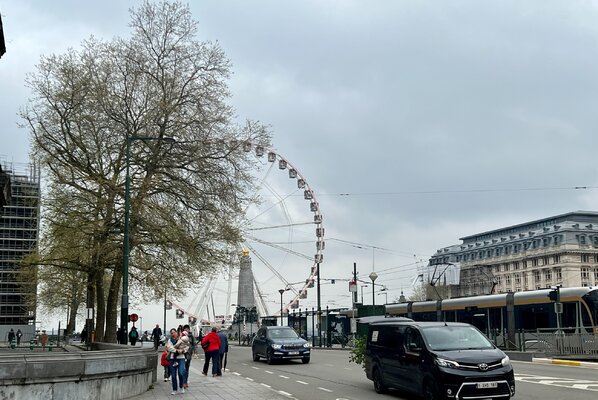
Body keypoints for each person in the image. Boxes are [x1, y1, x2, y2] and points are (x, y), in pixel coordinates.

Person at [165, 328, 187, 395]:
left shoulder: (182, 339)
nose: (173, 334)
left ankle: (181, 387)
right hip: (172, 358)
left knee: (181, 372)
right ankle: (174, 389)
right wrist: (177, 350)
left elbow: (186, 346)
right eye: (171, 333)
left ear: (176, 332)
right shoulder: (170, 340)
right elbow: (169, 348)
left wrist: (183, 351)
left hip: (181, 358)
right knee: (173, 375)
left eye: (174, 332)